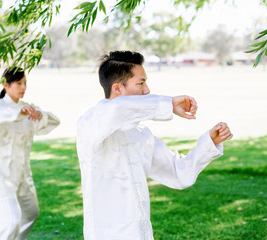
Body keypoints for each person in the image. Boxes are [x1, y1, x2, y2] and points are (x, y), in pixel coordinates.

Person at [76, 51, 233, 240]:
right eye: (141, 83)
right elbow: (117, 109)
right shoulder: (90, 124)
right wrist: (169, 103)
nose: (147, 90)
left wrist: (210, 143)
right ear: (117, 89)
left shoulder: (142, 135)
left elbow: (178, 173)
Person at [0, 67, 60, 240]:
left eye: (25, 83)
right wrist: (20, 113)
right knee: (9, 222)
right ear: (6, 85)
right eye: (19, 83)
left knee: (31, 213)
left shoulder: (28, 109)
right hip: (2, 177)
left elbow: (54, 121)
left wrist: (39, 115)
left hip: (23, 175)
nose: (23, 87)